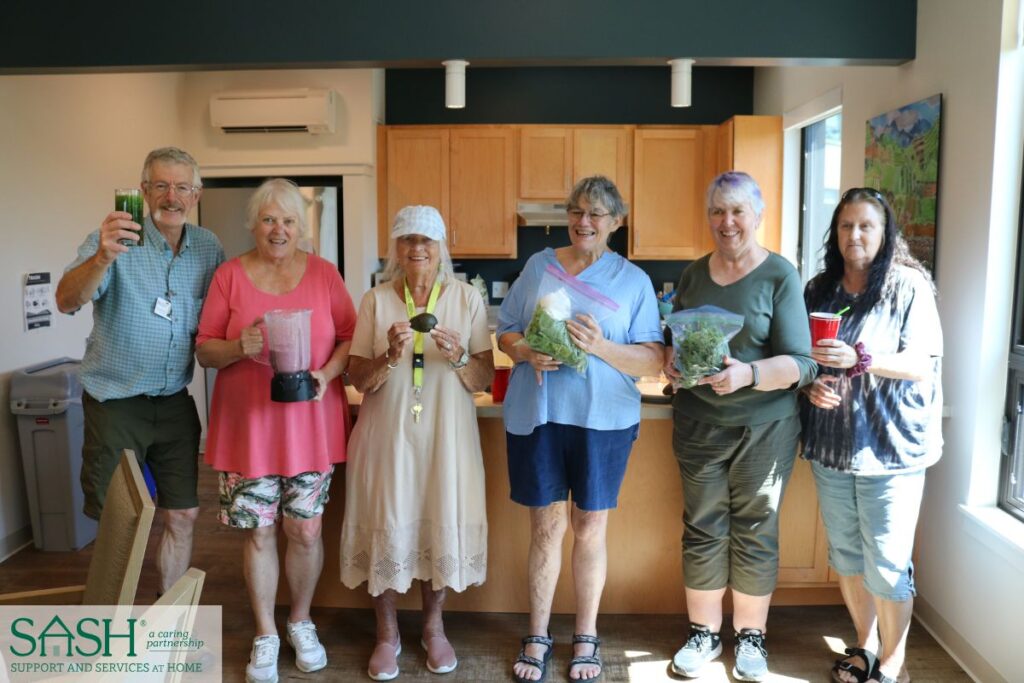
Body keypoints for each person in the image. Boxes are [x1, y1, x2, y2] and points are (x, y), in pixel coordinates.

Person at [498, 176, 664, 683]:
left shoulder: (633, 281)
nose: (584, 221)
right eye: (576, 211)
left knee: (589, 527)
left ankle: (586, 635)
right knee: (546, 527)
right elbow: (506, 330)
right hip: (540, 414)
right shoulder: (538, 266)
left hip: (603, 421)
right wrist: (523, 350)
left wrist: (599, 347)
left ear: (617, 222)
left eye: (596, 213)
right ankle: (538, 632)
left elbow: (653, 360)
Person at [195, 178, 356, 683]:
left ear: (301, 227)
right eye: (268, 219)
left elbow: (352, 337)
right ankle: (265, 633)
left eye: (288, 220)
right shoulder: (228, 276)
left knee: (305, 529)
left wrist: (327, 376)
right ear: (254, 225)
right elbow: (203, 349)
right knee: (259, 532)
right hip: (249, 431)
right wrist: (237, 346)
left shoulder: (326, 275)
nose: (278, 229)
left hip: (309, 424)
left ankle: (301, 621)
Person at [664, 171, 817, 682]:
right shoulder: (692, 276)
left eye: (736, 211)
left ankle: (751, 638)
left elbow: (803, 363)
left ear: (758, 215)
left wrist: (749, 373)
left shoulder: (779, 275)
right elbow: (680, 343)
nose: (726, 222)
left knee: (755, 530)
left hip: (765, 429)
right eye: (717, 211)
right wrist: (672, 362)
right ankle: (703, 633)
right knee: (703, 527)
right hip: (699, 424)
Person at [56, 146, 224, 595]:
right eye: (162, 185)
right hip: (116, 402)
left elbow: (227, 310)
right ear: (145, 190)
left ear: (197, 194)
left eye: (182, 187)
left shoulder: (208, 248)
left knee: (183, 514)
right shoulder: (114, 239)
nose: (173, 196)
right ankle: (116, 633)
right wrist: (102, 259)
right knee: (121, 524)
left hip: (172, 403)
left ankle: (164, 630)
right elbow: (66, 300)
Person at [340, 205, 494, 681]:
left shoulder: (467, 299)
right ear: (396, 249)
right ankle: (386, 634)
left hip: (447, 438)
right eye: (407, 240)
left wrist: (461, 355)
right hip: (387, 437)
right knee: (386, 520)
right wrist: (388, 354)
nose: (417, 249)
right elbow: (357, 378)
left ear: (441, 247)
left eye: (426, 241)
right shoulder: (375, 300)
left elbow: (483, 379)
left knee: (437, 517)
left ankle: (434, 628)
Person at [801, 188, 942, 683]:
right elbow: (805, 359)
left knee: (887, 562)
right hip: (832, 448)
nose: (854, 235)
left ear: (885, 235)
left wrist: (861, 359)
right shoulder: (819, 289)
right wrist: (812, 386)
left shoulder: (908, 286)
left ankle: (893, 664)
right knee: (847, 556)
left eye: (866, 226)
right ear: (834, 232)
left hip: (892, 449)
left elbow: (921, 363)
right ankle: (864, 644)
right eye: (845, 226)